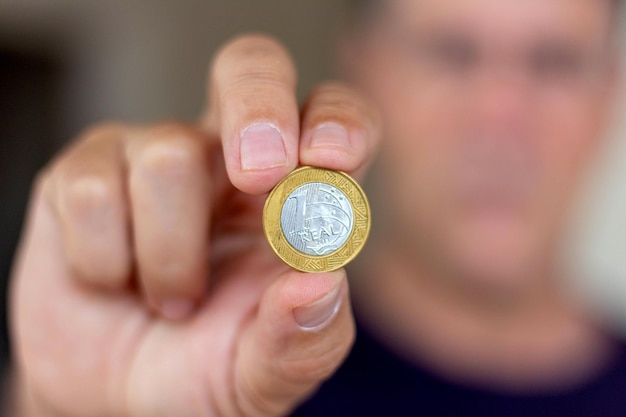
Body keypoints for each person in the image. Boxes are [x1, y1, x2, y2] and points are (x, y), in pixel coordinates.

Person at [7, 0, 626, 415]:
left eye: (554, 63)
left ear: (611, 95)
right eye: (452, 54)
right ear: (366, 73)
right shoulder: (226, 371)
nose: (500, 116)